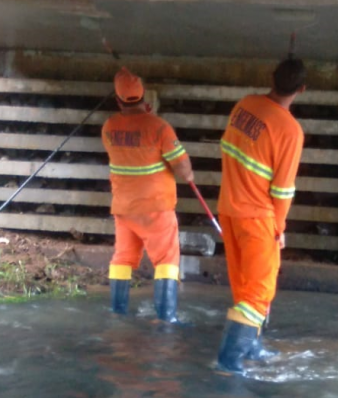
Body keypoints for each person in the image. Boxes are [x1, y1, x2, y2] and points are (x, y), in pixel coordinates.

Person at [214, 58, 306, 374]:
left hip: (229, 209)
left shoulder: (245, 106)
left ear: (272, 78)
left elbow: (227, 149)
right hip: (257, 218)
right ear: (302, 89)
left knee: (243, 286)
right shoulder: (290, 131)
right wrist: (279, 229)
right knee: (258, 293)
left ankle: (252, 346)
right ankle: (228, 361)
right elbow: (282, 190)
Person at [102, 67, 194, 323]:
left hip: (124, 207)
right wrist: (188, 175)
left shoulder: (108, 128)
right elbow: (184, 168)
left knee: (123, 258)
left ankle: (117, 315)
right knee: (166, 259)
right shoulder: (159, 127)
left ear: (118, 100)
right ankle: (167, 320)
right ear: (145, 97)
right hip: (156, 208)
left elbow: (131, 140)